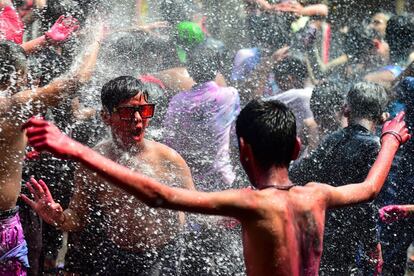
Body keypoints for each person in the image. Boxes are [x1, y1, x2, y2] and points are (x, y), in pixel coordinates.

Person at [23, 98, 409, 275]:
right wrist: (390, 138)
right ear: (295, 148)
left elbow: (159, 195)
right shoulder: (319, 195)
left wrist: (74, 148)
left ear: (242, 151)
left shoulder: (251, 203)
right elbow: (371, 187)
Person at [24, 76, 195, 274]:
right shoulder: (92, 163)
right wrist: (58, 217)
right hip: (115, 256)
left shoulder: (169, 159)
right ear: (106, 117)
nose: (138, 119)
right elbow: (78, 217)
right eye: (127, 112)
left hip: (162, 256)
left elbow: (195, 205)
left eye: (144, 110)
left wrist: (224, 216)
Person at [0, 24, 101, 274]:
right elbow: (75, 81)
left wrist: (43, 41)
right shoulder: (13, 105)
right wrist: (96, 38)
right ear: (19, 76)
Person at [290, 82, 389, 274]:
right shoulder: (375, 147)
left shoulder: (333, 138)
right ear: (382, 117)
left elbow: (300, 173)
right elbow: (366, 202)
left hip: (320, 227)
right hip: (346, 235)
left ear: (346, 110)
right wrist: (372, 243)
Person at [163, 44, 243, 275]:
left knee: (194, 251)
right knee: (224, 251)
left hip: (190, 185)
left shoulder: (177, 101)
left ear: (191, 71)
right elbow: (236, 134)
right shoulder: (229, 95)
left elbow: (170, 143)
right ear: (216, 68)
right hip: (222, 180)